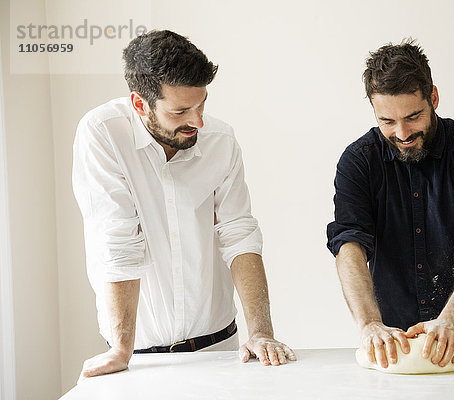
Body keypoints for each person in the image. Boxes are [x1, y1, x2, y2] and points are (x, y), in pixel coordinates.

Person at [73, 30, 295, 380]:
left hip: (223, 348)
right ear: (139, 104)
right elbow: (118, 241)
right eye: (181, 111)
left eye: (201, 104)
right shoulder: (103, 133)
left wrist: (261, 333)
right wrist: (120, 348)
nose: (198, 122)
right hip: (137, 358)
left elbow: (240, 235)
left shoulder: (221, 141)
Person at [327, 39, 454, 370]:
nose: (402, 133)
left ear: (434, 98)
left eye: (413, 117)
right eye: (387, 121)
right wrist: (369, 324)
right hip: (396, 343)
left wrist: (451, 319)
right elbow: (349, 245)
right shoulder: (358, 161)